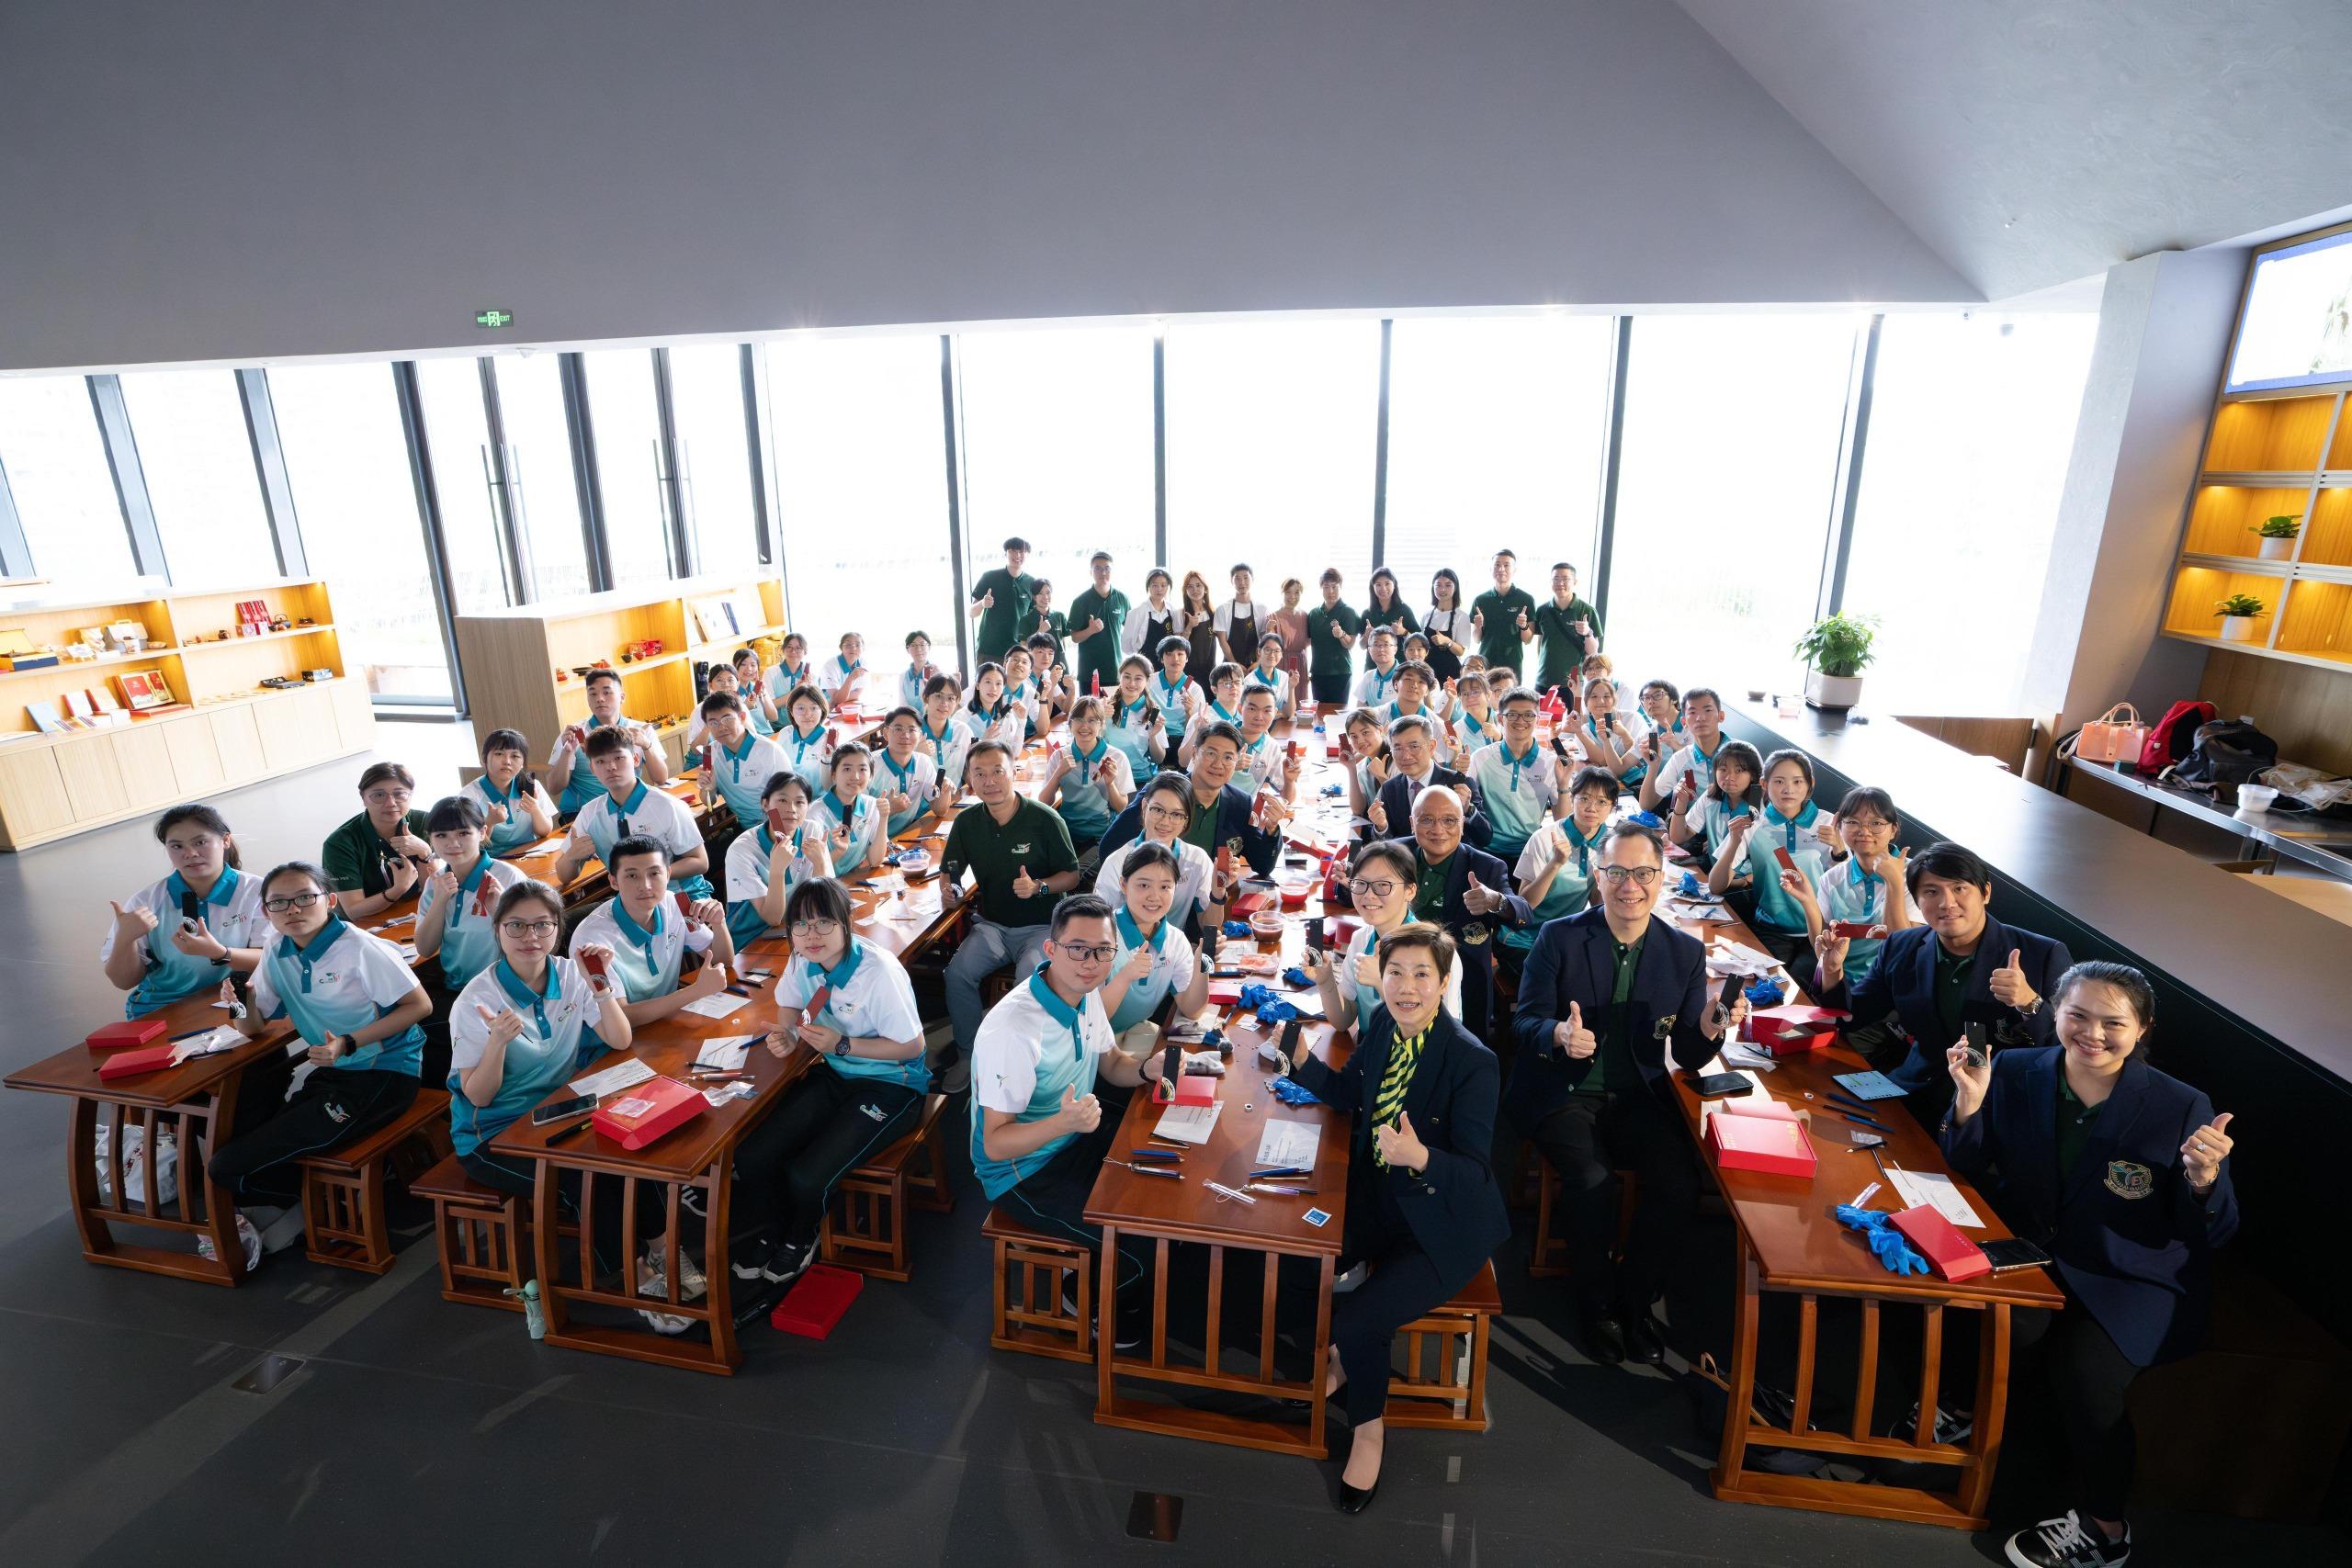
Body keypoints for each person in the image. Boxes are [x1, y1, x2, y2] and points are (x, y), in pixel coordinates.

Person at [1943, 963, 2239, 1568]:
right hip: (2039, 1252)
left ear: (2142, 1029)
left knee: (2085, 1373)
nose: (2093, 1033)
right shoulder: (2019, 1070)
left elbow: (2216, 1231)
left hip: (2138, 1274)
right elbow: (1968, 1163)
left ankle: (2107, 1529)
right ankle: (1968, 1428)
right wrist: (1969, 1105)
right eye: (2078, 1015)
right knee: (1989, 1321)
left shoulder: (2180, 1103)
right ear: (2054, 1011)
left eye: (2113, 1022)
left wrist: (2205, 1183)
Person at [1279, 924, 1507, 1512]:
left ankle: (1368, 1431)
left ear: (1444, 981)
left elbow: (1479, 1176)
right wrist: (1303, 1063)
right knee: (1302, 1261)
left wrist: (1422, 1156)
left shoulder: (1472, 1061)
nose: (1406, 988)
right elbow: (1353, 1093)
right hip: (1381, 1196)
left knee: (1359, 1319)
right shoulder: (1381, 1023)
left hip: (1443, 1223)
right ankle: (1345, 1363)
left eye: (1421, 975)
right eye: (1396, 973)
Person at [1510, 821, 1750, 1366]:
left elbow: (1687, 1054)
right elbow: (1524, 1021)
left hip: (1636, 1092)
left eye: (1643, 874)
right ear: (1598, 876)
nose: (1630, 886)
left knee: (1678, 1181)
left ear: (1661, 879)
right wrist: (1557, 1034)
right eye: (1617, 872)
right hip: (1562, 1090)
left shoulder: (1684, 952)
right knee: (1592, 1182)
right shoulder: (1560, 937)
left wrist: (1713, 1025)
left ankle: (1636, 1300)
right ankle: (1596, 1305)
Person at [969, 895, 1168, 1346]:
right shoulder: (1014, 1028)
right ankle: (1087, 1301)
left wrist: (1144, 1069)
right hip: (1023, 1171)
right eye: (1078, 948)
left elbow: (1113, 1062)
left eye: (1102, 950)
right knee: (1138, 1250)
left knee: (1162, 1174)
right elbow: (995, 1145)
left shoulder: (1084, 994)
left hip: (1073, 1133)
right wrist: (1063, 1124)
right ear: (1051, 949)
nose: (1091, 961)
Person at [728, 878, 932, 1288]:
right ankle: (772, 1227)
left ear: (846, 923)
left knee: (807, 1175)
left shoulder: (879, 973)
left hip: (893, 1087)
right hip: (836, 1075)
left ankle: (802, 1237)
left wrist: (842, 1044)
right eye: (801, 926)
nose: (812, 935)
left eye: (824, 923)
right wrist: (786, 1033)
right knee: (752, 1155)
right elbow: (788, 1001)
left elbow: (912, 1046)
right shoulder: (803, 959)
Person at [209, 862, 432, 1217]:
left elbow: (419, 1006)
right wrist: (243, 1003)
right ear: (266, 912)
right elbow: (252, 1028)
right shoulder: (276, 948)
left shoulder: (359, 947)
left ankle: (336, 1208)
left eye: (304, 898)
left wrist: (348, 1042)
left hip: (384, 1073)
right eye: (279, 902)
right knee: (238, 1154)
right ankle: (333, 1204)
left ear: (329, 901)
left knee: (229, 1166)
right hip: (332, 1076)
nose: (292, 909)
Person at [446, 879, 640, 1278]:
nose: (530, 937)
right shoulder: (475, 1000)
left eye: (542, 925)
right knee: (585, 1180)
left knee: (634, 1155)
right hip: (493, 1135)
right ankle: (630, 1276)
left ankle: (656, 1249)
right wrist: (497, 1042)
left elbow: (620, 1040)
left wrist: (600, 982)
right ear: (498, 929)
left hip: (557, 1113)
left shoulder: (571, 974)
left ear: (557, 928)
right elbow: (479, 1097)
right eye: (516, 925)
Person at [1818, 840, 2072, 1124]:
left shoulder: (2043, 954)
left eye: (1960, 888)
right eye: (1931, 892)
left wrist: (2029, 1002)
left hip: (1994, 1106)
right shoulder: (1902, 946)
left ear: (1985, 893)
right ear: (1916, 899)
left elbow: (2065, 1050)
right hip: (1913, 1089)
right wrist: (1832, 970)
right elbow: (1853, 1015)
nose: (1947, 903)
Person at [940, 739, 1082, 1088]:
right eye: (979, 774)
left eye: (997, 771)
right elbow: (950, 871)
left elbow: (1073, 875)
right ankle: (968, 1054)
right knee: (957, 974)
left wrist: (1040, 887)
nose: (989, 781)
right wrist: (950, 890)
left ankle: (1019, 1062)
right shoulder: (968, 821)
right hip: (993, 926)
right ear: (970, 780)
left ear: (1012, 772)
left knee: (1026, 984)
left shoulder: (1044, 819)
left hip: (1042, 927)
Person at [102, 803, 267, 1018]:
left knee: (260, 1046)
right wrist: (125, 938)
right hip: (164, 1008)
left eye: (201, 842)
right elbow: (123, 982)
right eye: (177, 846)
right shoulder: (146, 902)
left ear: (225, 840)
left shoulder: (256, 890)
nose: (190, 853)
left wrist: (219, 953)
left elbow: (273, 958)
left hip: (236, 999)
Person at [1391, 786, 1524, 1039]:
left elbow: (1523, 914)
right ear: (1412, 823)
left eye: (1449, 820)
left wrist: (1495, 901)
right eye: (1427, 819)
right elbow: (1353, 887)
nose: (1438, 829)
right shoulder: (1394, 854)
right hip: (1401, 978)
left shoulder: (1487, 867)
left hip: (1463, 983)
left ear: (1462, 824)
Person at [412, 795, 528, 1079]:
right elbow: (425, 948)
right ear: (431, 840)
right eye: (442, 835)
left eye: (464, 833)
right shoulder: (436, 882)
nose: (453, 843)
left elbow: (532, 945)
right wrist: (440, 899)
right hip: (458, 991)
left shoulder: (507, 877)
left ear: (483, 832)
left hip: (504, 993)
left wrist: (501, 911)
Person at [571, 837, 739, 1025]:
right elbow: (622, 1017)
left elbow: (723, 960)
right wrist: (695, 991)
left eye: (654, 873)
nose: (645, 886)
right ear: (613, 881)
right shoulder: (589, 938)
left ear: (668, 874)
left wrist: (719, 923)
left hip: (668, 1021)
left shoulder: (677, 903)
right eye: (632, 876)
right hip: (619, 1042)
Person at [1303, 840, 1464, 1033]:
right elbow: (1343, 1021)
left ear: (1410, 891)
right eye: (1361, 883)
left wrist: (1383, 984)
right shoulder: (1361, 940)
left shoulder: (1440, 952)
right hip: (1372, 1057)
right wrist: (1325, 980)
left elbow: (1444, 1037)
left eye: (1383, 885)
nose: (1369, 895)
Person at [1707, 748, 1841, 965]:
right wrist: (1733, 841)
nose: (1788, 789)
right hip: (1770, 931)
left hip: (1819, 930)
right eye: (1779, 781)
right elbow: (1715, 886)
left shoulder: (1828, 823)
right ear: (1763, 784)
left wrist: (1839, 849)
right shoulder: (1753, 824)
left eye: (1798, 782)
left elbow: (1844, 883)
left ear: (1810, 784)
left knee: (1809, 989)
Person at [1094, 721, 1280, 876]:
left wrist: (1272, 830)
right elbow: (1110, 848)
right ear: (1194, 753)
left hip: (1209, 902)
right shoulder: (1162, 791)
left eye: (1228, 757)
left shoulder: (1241, 803)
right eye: (1211, 754)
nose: (1218, 764)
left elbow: (1263, 865)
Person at [553, 728, 713, 899]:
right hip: (630, 903)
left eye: (619, 757)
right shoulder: (589, 813)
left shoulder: (667, 805)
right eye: (600, 762)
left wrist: (649, 875)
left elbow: (700, 862)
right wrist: (572, 855)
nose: (611, 767)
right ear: (592, 769)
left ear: (636, 759)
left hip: (680, 896)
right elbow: (564, 876)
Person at [1782, 785, 1913, 993]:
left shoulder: (1913, 876)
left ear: (1893, 830)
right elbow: (1823, 946)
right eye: (1853, 822)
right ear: (1839, 827)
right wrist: (1807, 901)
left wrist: (1894, 882)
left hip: (1888, 984)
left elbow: (1908, 948)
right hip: (1838, 976)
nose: (1864, 831)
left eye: (1876, 823)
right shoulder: (1831, 878)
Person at [1098, 842, 1211, 1064]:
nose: (1154, 897)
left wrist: (1202, 965)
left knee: (1190, 1062)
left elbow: (1191, 1010)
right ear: (1123, 884)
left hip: (1136, 1031)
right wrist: (1125, 976)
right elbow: (1093, 1018)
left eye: (1165, 887)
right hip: (1094, 1039)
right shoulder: (1101, 936)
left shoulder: (1176, 940)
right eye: (1143, 885)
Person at [1503, 765, 1615, 976]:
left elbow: (1597, 903)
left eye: (1602, 802)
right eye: (1584, 798)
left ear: (1612, 807)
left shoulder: (1610, 844)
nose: (1592, 808)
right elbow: (1525, 906)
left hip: (1568, 936)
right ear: (1572, 797)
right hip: (1527, 938)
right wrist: (1555, 864)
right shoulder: (1545, 838)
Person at [1091, 772, 1221, 933]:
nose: (1165, 822)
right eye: (1158, 810)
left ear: (1186, 820)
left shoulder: (1197, 860)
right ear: (1144, 807)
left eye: (1176, 814)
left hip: (1174, 952)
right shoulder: (1117, 862)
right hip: (1123, 951)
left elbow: (1209, 926)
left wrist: (1218, 892)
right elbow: (1098, 926)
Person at [722, 771, 834, 946]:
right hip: (750, 940)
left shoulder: (812, 831)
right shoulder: (741, 850)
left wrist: (820, 864)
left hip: (798, 929)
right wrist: (777, 870)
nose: (791, 809)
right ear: (765, 804)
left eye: (800, 802)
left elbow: (824, 902)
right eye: (782, 800)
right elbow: (773, 918)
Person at [548, 668, 669, 815]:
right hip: (581, 814)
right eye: (592, 693)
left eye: (607, 692)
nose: (599, 698)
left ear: (622, 697)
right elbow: (554, 788)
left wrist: (646, 745)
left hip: (630, 810)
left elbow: (661, 778)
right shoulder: (574, 734)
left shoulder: (640, 730)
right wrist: (567, 752)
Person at [1464, 687, 1565, 863]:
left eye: (1529, 715)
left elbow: (1562, 820)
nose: (1521, 721)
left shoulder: (1550, 762)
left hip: (1530, 851)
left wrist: (1564, 786)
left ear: (1538, 719)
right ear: (1501, 719)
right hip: (1485, 849)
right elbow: (1465, 805)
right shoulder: (1481, 758)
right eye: (1512, 715)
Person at [322, 761, 433, 919]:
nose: (390, 803)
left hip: (416, 911)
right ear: (363, 798)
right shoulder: (339, 843)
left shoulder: (424, 822)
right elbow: (353, 911)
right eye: (379, 795)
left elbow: (434, 890)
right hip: (366, 925)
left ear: (411, 794)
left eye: (399, 793)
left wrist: (425, 852)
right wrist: (398, 889)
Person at [1368, 715, 1491, 849]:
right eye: (1397, 748)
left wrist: (1469, 809)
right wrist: (1382, 827)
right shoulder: (1389, 788)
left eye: (1414, 746)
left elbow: (1484, 838)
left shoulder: (1459, 783)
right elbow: (1386, 845)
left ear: (1431, 746)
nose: (1405, 756)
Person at [1042, 695, 1136, 852]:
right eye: (1078, 719)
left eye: (1092, 720)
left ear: (1101, 724)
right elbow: (1044, 802)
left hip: (1101, 837)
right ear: (1070, 722)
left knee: (1081, 874)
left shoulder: (1117, 757)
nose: (1085, 726)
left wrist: (1109, 783)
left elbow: (1121, 808)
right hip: (1065, 835)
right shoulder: (1059, 756)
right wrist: (1057, 774)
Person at [694, 691, 790, 834]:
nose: (721, 727)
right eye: (713, 722)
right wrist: (709, 788)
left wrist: (776, 838)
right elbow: (709, 803)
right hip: (745, 830)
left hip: (776, 826)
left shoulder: (770, 751)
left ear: (742, 717)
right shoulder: (709, 752)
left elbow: (787, 801)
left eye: (727, 719)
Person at [461, 728, 557, 857]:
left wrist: (534, 809)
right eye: (499, 754)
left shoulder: (531, 786)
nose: (507, 761)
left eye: (515, 756)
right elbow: (470, 847)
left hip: (532, 855)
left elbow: (544, 832)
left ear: (522, 763)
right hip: (494, 862)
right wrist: (489, 822)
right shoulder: (469, 796)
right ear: (484, 758)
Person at [1668, 739, 1762, 862]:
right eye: (1723, 769)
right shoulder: (1711, 796)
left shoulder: (1760, 806)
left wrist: (1743, 880)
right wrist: (1681, 802)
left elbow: (1765, 857)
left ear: (1753, 776)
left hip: (1744, 878)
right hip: (1716, 872)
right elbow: (1678, 837)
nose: (1729, 777)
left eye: (1739, 770)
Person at [1638, 687, 1728, 812]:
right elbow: (1646, 805)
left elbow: (1756, 804)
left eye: (1708, 710)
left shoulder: (1744, 753)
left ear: (1721, 716)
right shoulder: (1680, 759)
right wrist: (1653, 766)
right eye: (1692, 712)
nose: (1700, 718)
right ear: (1684, 721)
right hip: (1690, 829)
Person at [863, 705, 943, 840]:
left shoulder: (924, 762)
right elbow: (855, 819)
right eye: (898, 729)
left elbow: (940, 809)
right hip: (870, 843)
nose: (905, 735)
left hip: (906, 835)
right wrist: (888, 809)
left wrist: (944, 791)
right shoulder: (868, 766)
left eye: (912, 730)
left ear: (921, 735)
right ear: (886, 733)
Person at [813, 742, 889, 875]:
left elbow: (875, 861)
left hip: (855, 879)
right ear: (834, 774)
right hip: (827, 887)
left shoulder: (872, 805)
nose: (855, 776)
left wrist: (884, 817)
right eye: (847, 769)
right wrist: (839, 852)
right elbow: (811, 874)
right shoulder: (815, 815)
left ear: (871, 775)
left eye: (862, 769)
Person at [1527, 561, 1602, 693]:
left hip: (1572, 683)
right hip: (1543, 680)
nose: (1560, 583)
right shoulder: (1542, 610)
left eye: (1565, 579)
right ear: (1550, 582)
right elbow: (1541, 642)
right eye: (1556, 579)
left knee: (1572, 714)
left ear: (1575, 582)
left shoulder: (1587, 610)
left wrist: (1588, 633)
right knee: (1541, 713)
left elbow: (1593, 652)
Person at [1067, 550, 1129, 696]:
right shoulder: (1080, 601)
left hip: (1115, 671)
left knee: (1113, 715)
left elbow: (1131, 631)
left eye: (1107, 568)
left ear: (1112, 571)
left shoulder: (1122, 599)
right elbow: (1074, 637)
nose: (1103, 572)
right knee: (1089, 716)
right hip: (1089, 673)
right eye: (1098, 568)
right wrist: (1090, 630)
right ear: (1091, 572)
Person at [1467, 549, 1537, 674]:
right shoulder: (1480, 600)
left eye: (1506, 565)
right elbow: (1476, 639)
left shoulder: (1526, 599)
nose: (1501, 569)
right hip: (1485, 664)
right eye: (1497, 565)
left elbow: (1528, 640)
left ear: (1514, 570)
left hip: (1512, 665)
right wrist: (1478, 626)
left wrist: (1523, 626)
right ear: (1491, 569)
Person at [968, 536, 1035, 665]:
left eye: (1021, 551)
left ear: (1027, 554)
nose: (1017, 555)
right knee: (985, 685)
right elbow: (972, 613)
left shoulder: (1032, 583)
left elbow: (1032, 620)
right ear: (1006, 553)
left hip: (1018, 652)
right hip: (990, 650)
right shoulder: (989, 577)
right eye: (1013, 551)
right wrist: (982, 603)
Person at [1303, 569, 1363, 709]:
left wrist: (1341, 634)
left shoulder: (1348, 612)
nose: (1330, 591)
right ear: (1320, 588)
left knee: (1338, 713)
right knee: (1319, 713)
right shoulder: (1314, 613)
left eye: (1334, 586)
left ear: (1340, 587)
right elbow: (1308, 642)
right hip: (1318, 673)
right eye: (1326, 587)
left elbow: (1350, 644)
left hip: (1340, 673)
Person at [1103, 654, 1168, 784]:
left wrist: (1153, 736)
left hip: (1139, 779)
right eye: (1127, 677)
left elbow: (1159, 759)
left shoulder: (1153, 713)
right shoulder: (1104, 706)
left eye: (1138, 678)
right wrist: (1101, 720)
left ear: (1147, 681)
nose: (1132, 683)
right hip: (1106, 776)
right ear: (1119, 677)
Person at [1575, 676, 1645, 790]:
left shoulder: (1633, 718)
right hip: (1605, 784)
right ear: (1586, 701)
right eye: (1594, 696)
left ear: (1614, 700)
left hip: (1637, 782)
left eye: (1606, 696)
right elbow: (1602, 760)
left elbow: (1640, 760)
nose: (1601, 701)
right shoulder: (1584, 730)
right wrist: (1579, 733)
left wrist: (1625, 734)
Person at [1230, 684, 1300, 798]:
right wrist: (1229, 766)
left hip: (1247, 812)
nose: (1259, 717)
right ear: (1240, 709)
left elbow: (1288, 799)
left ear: (1275, 712)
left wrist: (1289, 780)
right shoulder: (1221, 738)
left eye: (1267, 710)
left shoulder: (1271, 746)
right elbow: (1196, 782)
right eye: (1252, 709)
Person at [775, 682, 836, 795]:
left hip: (818, 803)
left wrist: (826, 758)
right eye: (801, 708)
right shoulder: (785, 733)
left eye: (814, 708)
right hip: (788, 799)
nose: (808, 714)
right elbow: (777, 771)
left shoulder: (829, 739)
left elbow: (829, 787)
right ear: (791, 711)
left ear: (822, 710)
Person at [919, 672, 977, 788]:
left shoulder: (963, 731)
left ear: (957, 701)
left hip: (955, 800)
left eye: (951, 698)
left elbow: (968, 770)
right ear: (926, 697)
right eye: (938, 696)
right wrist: (915, 754)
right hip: (922, 805)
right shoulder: (913, 733)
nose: (944, 703)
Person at [1340, 706, 1393, 824]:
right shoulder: (1362, 766)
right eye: (1354, 736)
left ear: (1380, 730)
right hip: (1376, 827)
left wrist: (1382, 778)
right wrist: (1351, 768)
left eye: (1365, 732)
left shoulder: (1396, 760)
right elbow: (1358, 809)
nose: (1360, 740)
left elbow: (1401, 807)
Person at [1120, 567, 1182, 667]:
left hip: (1168, 667)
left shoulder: (1174, 611)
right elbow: (1126, 647)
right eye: (1155, 585)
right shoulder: (1137, 613)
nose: (1159, 589)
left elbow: (1178, 641)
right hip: (1145, 666)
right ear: (1148, 586)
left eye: (1163, 585)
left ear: (1168, 586)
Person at [1420, 568, 1471, 683]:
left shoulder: (1462, 616)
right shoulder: (1427, 614)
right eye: (1438, 585)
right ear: (1433, 587)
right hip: (1427, 672)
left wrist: (1447, 641)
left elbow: (1460, 651)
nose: (1442, 589)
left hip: (1450, 674)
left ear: (1455, 587)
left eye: (1448, 585)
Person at [965, 661, 1028, 752]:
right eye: (988, 682)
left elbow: (1014, 752)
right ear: (977, 685)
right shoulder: (964, 717)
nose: (994, 688)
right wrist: (983, 742)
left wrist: (1022, 721)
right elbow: (960, 760)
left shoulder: (1006, 712)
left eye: (998, 684)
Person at [1150, 636, 1202, 747]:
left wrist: (1189, 711)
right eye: (1169, 654)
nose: (1175, 659)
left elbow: (1196, 730)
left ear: (1187, 658)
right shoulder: (1149, 682)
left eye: (1180, 654)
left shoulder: (1195, 689)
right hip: (1154, 735)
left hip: (1182, 739)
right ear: (1162, 659)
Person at [1212, 562, 1263, 668]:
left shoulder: (1262, 609)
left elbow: (1265, 641)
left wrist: (1258, 663)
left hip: (1255, 667)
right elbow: (1222, 641)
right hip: (1229, 666)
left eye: (1246, 578)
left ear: (1252, 579)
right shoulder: (1223, 609)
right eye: (1237, 579)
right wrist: (1234, 664)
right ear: (1231, 581)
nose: (1242, 582)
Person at [1267, 578, 1309, 692]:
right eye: (1288, 592)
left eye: (1297, 592)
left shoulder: (1305, 616)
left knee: (1300, 702)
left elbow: (1309, 642)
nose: (1292, 596)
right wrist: (1269, 630)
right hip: (1281, 664)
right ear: (1282, 593)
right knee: (1282, 700)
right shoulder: (1273, 617)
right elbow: (1267, 646)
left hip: (1301, 664)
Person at [1241, 630, 1295, 719]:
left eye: (1277, 651)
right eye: (1267, 650)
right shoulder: (1249, 681)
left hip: (1280, 726)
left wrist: (1291, 687)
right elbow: (1247, 714)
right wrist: (1280, 714)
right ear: (1259, 651)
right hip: (1257, 728)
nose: (1272, 655)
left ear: (1281, 654)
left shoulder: (1284, 677)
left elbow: (1290, 713)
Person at [1022, 580, 1069, 676]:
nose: (1045, 597)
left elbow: (1063, 644)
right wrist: (1040, 631)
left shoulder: (1059, 616)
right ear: (1034, 597)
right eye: (1040, 593)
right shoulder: (1026, 620)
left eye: (1048, 593)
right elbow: (1024, 649)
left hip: (1060, 667)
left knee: (1063, 691)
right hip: (1037, 669)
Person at [729, 647, 782, 735]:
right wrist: (745, 707)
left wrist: (762, 694)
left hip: (769, 735)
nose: (749, 669)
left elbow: (774, 717)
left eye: (753, 665)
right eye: (743, 664)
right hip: (749, 740)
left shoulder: (758, 687)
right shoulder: (732, 693)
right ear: (734, 666)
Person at [1179, 569, 1221, 674]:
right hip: (1188, 672)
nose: (1195, 590)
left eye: (1198, 585)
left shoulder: (1213, 613)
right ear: (1185, 591)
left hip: (1211, 670)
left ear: (1205, 588)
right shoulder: (1180, 613)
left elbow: (1223, 640)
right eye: (1190, 587)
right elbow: (1178, 647)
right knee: (1187, 691)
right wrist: (1189, 627)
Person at [1351, 625, 1404, 708]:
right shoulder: (1368, 677)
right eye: (1376, 645)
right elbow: (1360, 709)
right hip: (1373, 721)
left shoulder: (1405, 676)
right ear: (1369, 650)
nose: (1381, 649)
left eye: (1386, 645)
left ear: (1395, 649)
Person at [1450, 668, 1498, 756]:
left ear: (1488, 695)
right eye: (1465, 694)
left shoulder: (1503, 720)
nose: (1470, 698)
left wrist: (1498, 736)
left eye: (1475, 692)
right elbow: (1452, 768)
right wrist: (1457, 752)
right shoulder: (1457, 729)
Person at [815, 631, 869, 709]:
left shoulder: (863, 662)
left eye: (857, 645)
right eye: (848, 645)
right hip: (827, 709)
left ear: (863, 648)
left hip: (850, 706)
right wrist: (851, 678)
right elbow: (837, 700)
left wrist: (839, 697)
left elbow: (858, 693)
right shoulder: (830, 666)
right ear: (841, 647)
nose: (853, 648)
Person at [1362, 567, 1418, 640]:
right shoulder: (1367, 613)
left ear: (1394, 585)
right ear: (1373, 588)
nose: (1383, 589)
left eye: (1387, 584)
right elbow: (1362, 646)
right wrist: (1366, 635)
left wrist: (1404, 632)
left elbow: (1419, 641)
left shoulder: (1405, 610)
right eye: (1378, 585)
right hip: (1373, 652)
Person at [898, 630, 943, 713]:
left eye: (922, 644)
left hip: (933, 722)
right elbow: (902, 706)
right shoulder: (903, 677)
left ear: (929, 647)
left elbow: (940, 704)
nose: (918, 649)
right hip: (911, 723)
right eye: (913, 645)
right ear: (908, 649)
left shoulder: (936, 673)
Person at [764, 631, 814, 707]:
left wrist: (810, 688)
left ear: (805, 651)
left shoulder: (810, 673)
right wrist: (796, 690)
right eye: (789, 647)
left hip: (803, 718)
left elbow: (814, 703)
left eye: (798, 648)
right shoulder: (770, 673)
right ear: (783, 649)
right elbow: (770, 706)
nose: (793, 651)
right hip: (780, 719)